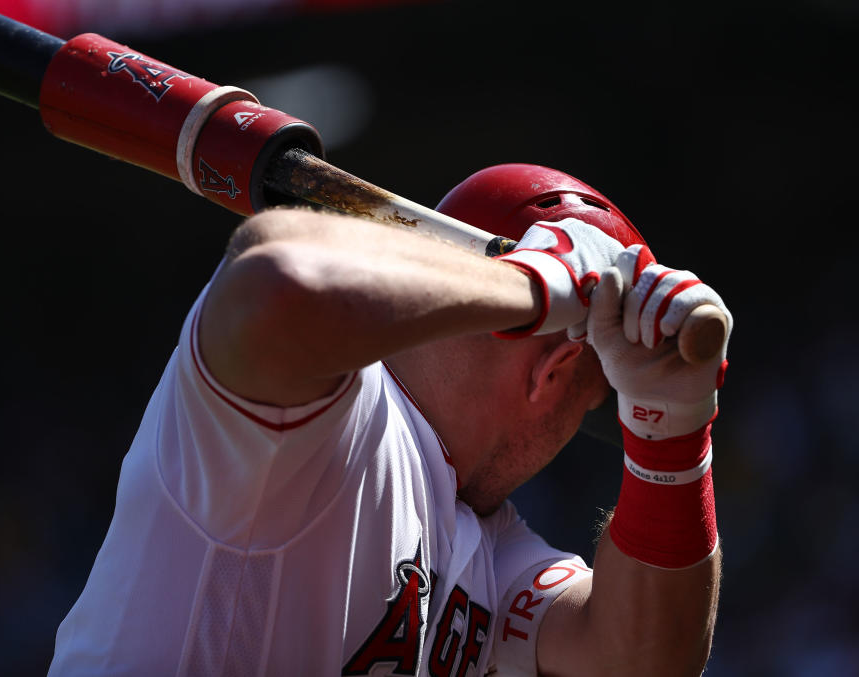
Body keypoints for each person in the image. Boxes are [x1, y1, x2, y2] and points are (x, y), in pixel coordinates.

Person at [48, 164, 731, 676]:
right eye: (591, 397)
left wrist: (672, 431)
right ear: (552, 372)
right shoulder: (335, 415)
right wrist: (534, 285)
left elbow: (645, 660)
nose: (576, 419)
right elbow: (273, 281)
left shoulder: (489, 546)